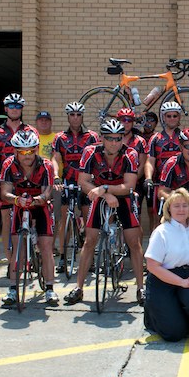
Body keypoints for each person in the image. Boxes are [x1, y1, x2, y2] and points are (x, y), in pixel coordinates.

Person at [66, 119, 145, 306]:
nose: (114, 143)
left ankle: (141, 288)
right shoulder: (90, 152)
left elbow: (129, 186)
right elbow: (83, 182)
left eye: (118, 138)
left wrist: (105, 188)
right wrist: (104, 194)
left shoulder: (130, 154)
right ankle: (78, 288)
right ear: (101, 138)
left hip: (123, 196)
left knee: (134, 242)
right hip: (99, 195)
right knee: (90, 240)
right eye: (109, 138)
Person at [143, 188, 189, 342]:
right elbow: (152, 266)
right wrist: (181, 282)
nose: (181, 209)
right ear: (169, 209)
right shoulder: (162, 231)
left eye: (184, 205)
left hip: (188, 275)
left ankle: (178, 319)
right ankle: (152, 314)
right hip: (162, 278)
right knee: (173, 335)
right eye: (176, 206)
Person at [0, 130, 58, 307]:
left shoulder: (46, 165)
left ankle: (49, 288)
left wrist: (39, 200)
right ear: (15, 151)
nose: (27, 155)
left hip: (40, 205)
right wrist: (17, 200)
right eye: (23, 151)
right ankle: (12, 288)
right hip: (19, 204)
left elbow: (47, 192)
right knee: (18, 248)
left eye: (31, 151)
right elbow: (4, 192)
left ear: (37, 149)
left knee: (46, 246)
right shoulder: (9, 164)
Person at [0, 93, 38, 261]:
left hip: (28, 180)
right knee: (6, 220)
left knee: (33, 216)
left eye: (18, 106)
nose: (15, 109)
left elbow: (37, 158)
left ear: (22, 109)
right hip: (6, 180)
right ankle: (11, 260)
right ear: (6, 109)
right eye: (11, 106)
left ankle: (33, 249)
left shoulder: (31, 131)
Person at [51, 102, 100, 270]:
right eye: (72, 115)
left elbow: (98, 159)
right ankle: (63, 257)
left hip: (86, 181)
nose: (75, 118)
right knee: (64, 220)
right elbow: (55, 159)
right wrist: (56, 176)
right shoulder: (59, 137)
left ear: (82, 116)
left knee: (89, 220)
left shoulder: (92, 136)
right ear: (68, 117)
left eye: (78, 115)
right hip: (67, 181)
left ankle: (90, 258)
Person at [144, 101, 184, 226]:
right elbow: (150, 161)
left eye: (175, 116)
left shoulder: (184, 137)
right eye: (168, 116)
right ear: (163, 117)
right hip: (160, 184)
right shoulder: (155, 138)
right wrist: (148, 178)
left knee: (181, 217)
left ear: (179, 117)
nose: (172, 119)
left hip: (180, 183)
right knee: (158, 219)